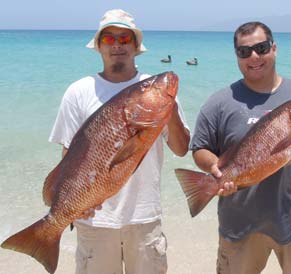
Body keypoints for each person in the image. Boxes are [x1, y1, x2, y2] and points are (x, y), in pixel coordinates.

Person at [190, 21, 291, 274]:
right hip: (238, 224)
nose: (254, 56)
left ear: (274, 48)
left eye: (261, 48)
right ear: (237, 57)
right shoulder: (219, 102)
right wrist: (215, 169)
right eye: (244, 52)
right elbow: (199, 148)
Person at [49, 9, 190, 274]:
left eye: (124, 39)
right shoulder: (78, 92)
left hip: (145, 219)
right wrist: (72, 205)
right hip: (94, 221)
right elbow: (69, 157)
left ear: (136, 46)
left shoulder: (156, 91)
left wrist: (168, 111)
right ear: (99, 46)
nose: (116, 45)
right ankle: (45, 235)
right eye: (109, 39)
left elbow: (181, 149)